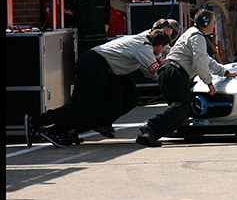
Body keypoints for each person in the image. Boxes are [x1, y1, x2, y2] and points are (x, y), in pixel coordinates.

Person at [24, 29, 172, 147]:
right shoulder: (144, 49)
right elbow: (156, 73)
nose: (163, 51)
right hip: (94, 65)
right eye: (163, 48)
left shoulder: (145, 37)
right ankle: (37, 121)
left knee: (111, 104)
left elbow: (152, 68)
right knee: (80, 107)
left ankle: (66, 128)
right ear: (159, 46)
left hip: (103, 67)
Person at [136, 9, 237, 147]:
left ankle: (150, 135)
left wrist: (225, 72)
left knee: (181, 111)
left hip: (172, 71)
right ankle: (149, 127)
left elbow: (206, 60)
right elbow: (199, 62)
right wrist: (209, 83)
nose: (214, 25)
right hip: (174, 71)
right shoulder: (197, 36)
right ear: (206, 22)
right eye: (213, 22)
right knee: (182, 106)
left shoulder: (194, 34)